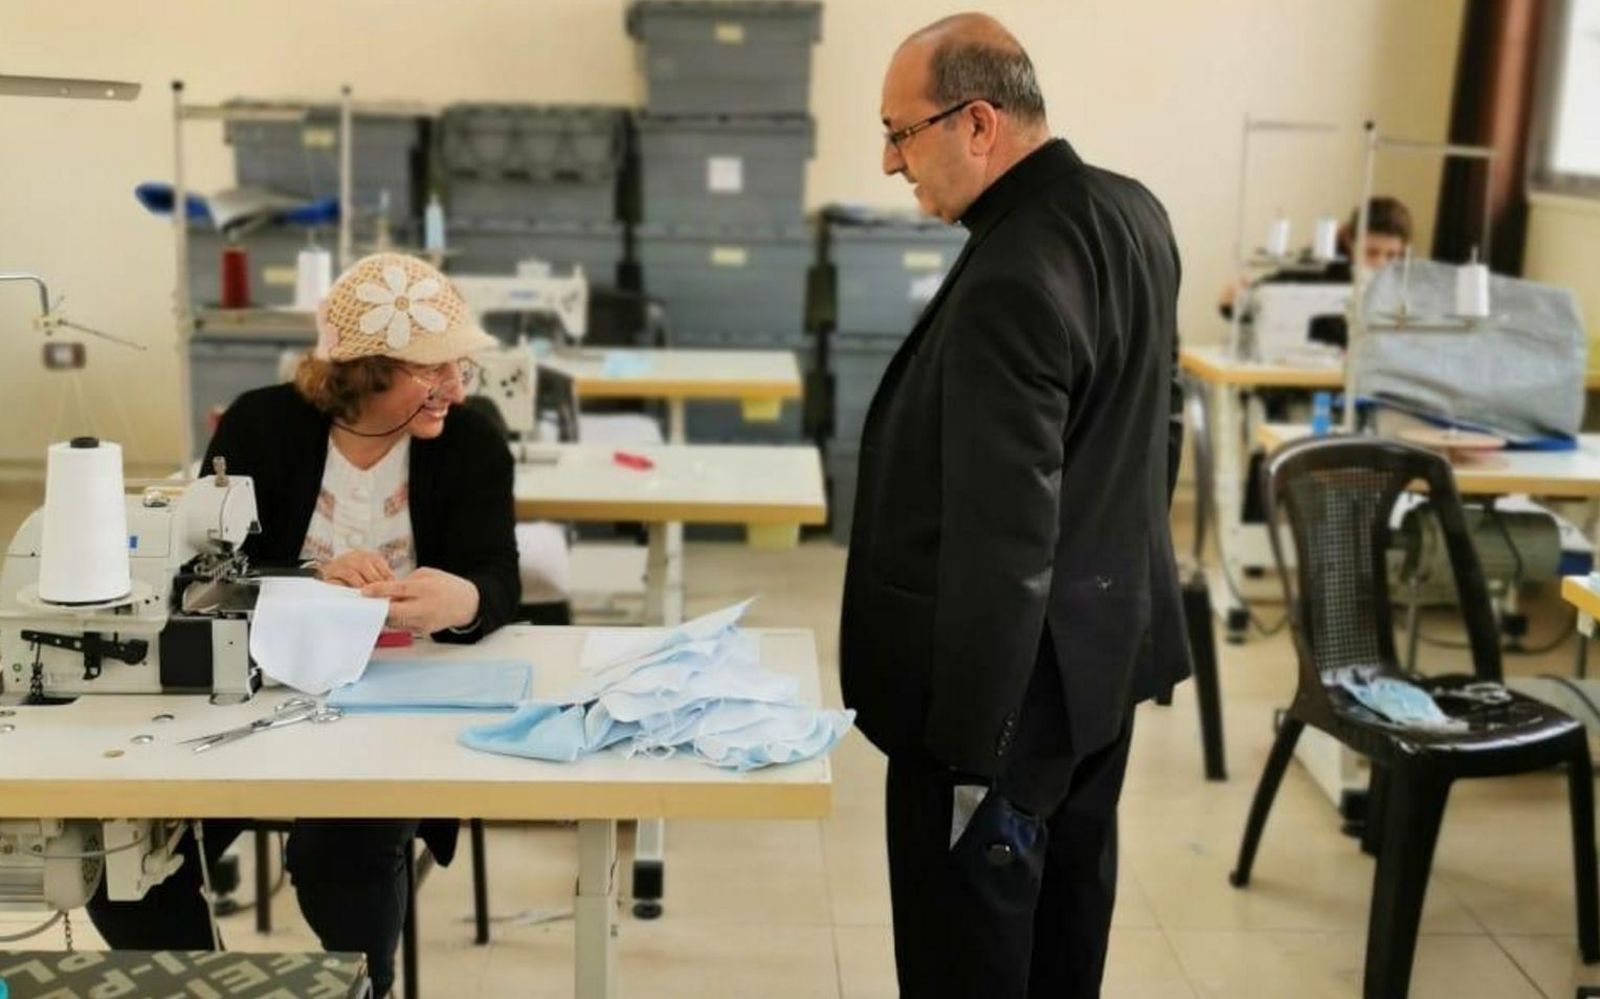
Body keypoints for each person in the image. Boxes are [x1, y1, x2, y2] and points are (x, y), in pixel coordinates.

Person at [838, 14, 1189, 997]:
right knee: (1065, 935)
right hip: (1099, 659)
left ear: (978, 123)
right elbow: (1148, 436)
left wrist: (966, 752)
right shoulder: (1130, 212)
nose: (889, 161)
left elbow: (1003, 538)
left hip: (1000, 699)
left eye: (900, 132)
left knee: (974, 960)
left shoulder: (1012, 272)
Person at [87, 252, 520, 998]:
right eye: (433, 370)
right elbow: (200, 580)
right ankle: (200, 984)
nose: (455, 386)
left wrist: (464, 602)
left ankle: (366, 989)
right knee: (123, 870)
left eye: (459, 368)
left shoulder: (473, 439)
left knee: (336, 859)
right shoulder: (261, 424)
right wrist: (310, 578)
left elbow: (497, 578)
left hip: (395, 701)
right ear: (365, 369)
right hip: (253, 689)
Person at [1218, 195, 1414, 315]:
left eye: (1392, 255)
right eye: (1371, 252)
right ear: (1349, 241)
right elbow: (1259, 302)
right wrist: (1234, 302)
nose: (1381, 262)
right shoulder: (1319, 267)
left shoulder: (1406, 285)